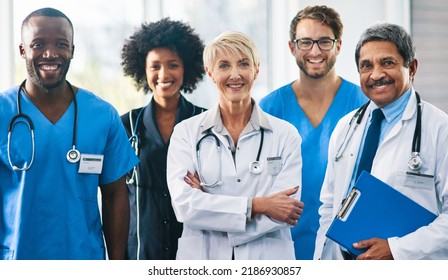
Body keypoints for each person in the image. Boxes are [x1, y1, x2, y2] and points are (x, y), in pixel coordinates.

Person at [0, 7, 138, 260]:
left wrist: (118, 264)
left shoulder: (102, 115)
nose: (50, 53)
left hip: (83, 258)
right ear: (22, 50)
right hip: (16, 258)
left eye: (61, 44)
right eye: (38, 44)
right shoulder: (2, 112)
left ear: (72, 50)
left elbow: (115, 196)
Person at [314, 22, 448, 260]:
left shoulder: (439, 130)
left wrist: (396, 250)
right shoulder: (346, 127)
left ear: (412, 67)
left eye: (387, 63)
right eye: (366, 66)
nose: (376, 75)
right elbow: (328, 206)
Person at [166, 31, 304, 260]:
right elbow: (185, 205)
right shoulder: (186, 134)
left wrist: (210, 207)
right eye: (224, 65)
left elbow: (285, 210)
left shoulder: (285, 135)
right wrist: (259, 205)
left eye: (243, 64)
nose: (235, 74)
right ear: (210, 72)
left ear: (256, 70)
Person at [259, 5, 367, 259]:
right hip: (282, 244)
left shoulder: (363, 104)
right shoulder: (270, 108)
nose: (315, 51)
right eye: (305, 42)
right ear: (292, 47)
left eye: (325, 42)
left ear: (339, 46)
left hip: (347, 245)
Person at [120, 18, 206, 260]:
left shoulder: (206, 123)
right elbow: (115, 199)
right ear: (142, 70)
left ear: (186, 68)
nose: (164, 74)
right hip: (141, 254)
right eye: (155, 66)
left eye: (173, 65)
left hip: (195, 254)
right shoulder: (126, 126)